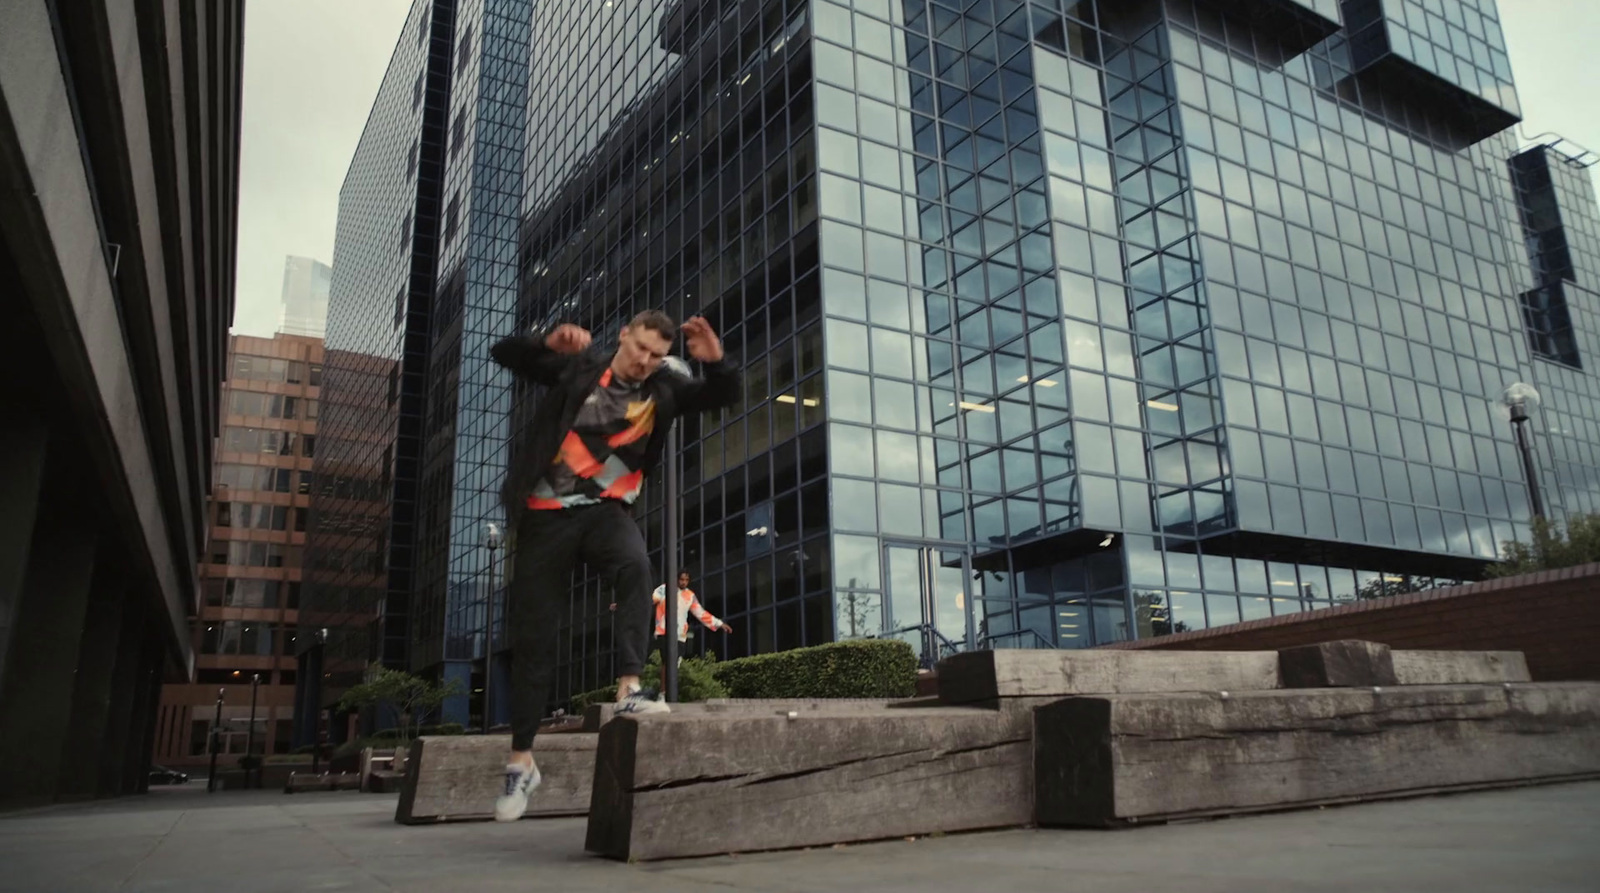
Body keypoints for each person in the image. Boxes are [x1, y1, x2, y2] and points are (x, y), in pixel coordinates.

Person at [486, 310, 740, 822]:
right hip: (544, 517)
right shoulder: (578, 368)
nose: (643, 361)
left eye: (654, 354)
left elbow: (722, 395)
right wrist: (546, 339)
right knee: (534, 639)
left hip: (606, 511)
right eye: (638, 348)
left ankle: (629, 686)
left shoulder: (665, 389)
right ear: (624, 336)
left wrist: (716, 362)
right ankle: (521, 761)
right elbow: (505, 355)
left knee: (635, 566)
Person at [649, 571, 733, 690]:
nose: (684, 582)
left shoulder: (689, 595)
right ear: (676, 579)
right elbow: (648, 601)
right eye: (681, 579)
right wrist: (625, 605)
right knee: (667, 661)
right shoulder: (664, 589)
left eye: (686, 580)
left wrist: (719, 623)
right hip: (664, 631)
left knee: (675, 663)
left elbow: (700, 613)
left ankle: (670, 690)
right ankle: (663, 692)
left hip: (680, 634)